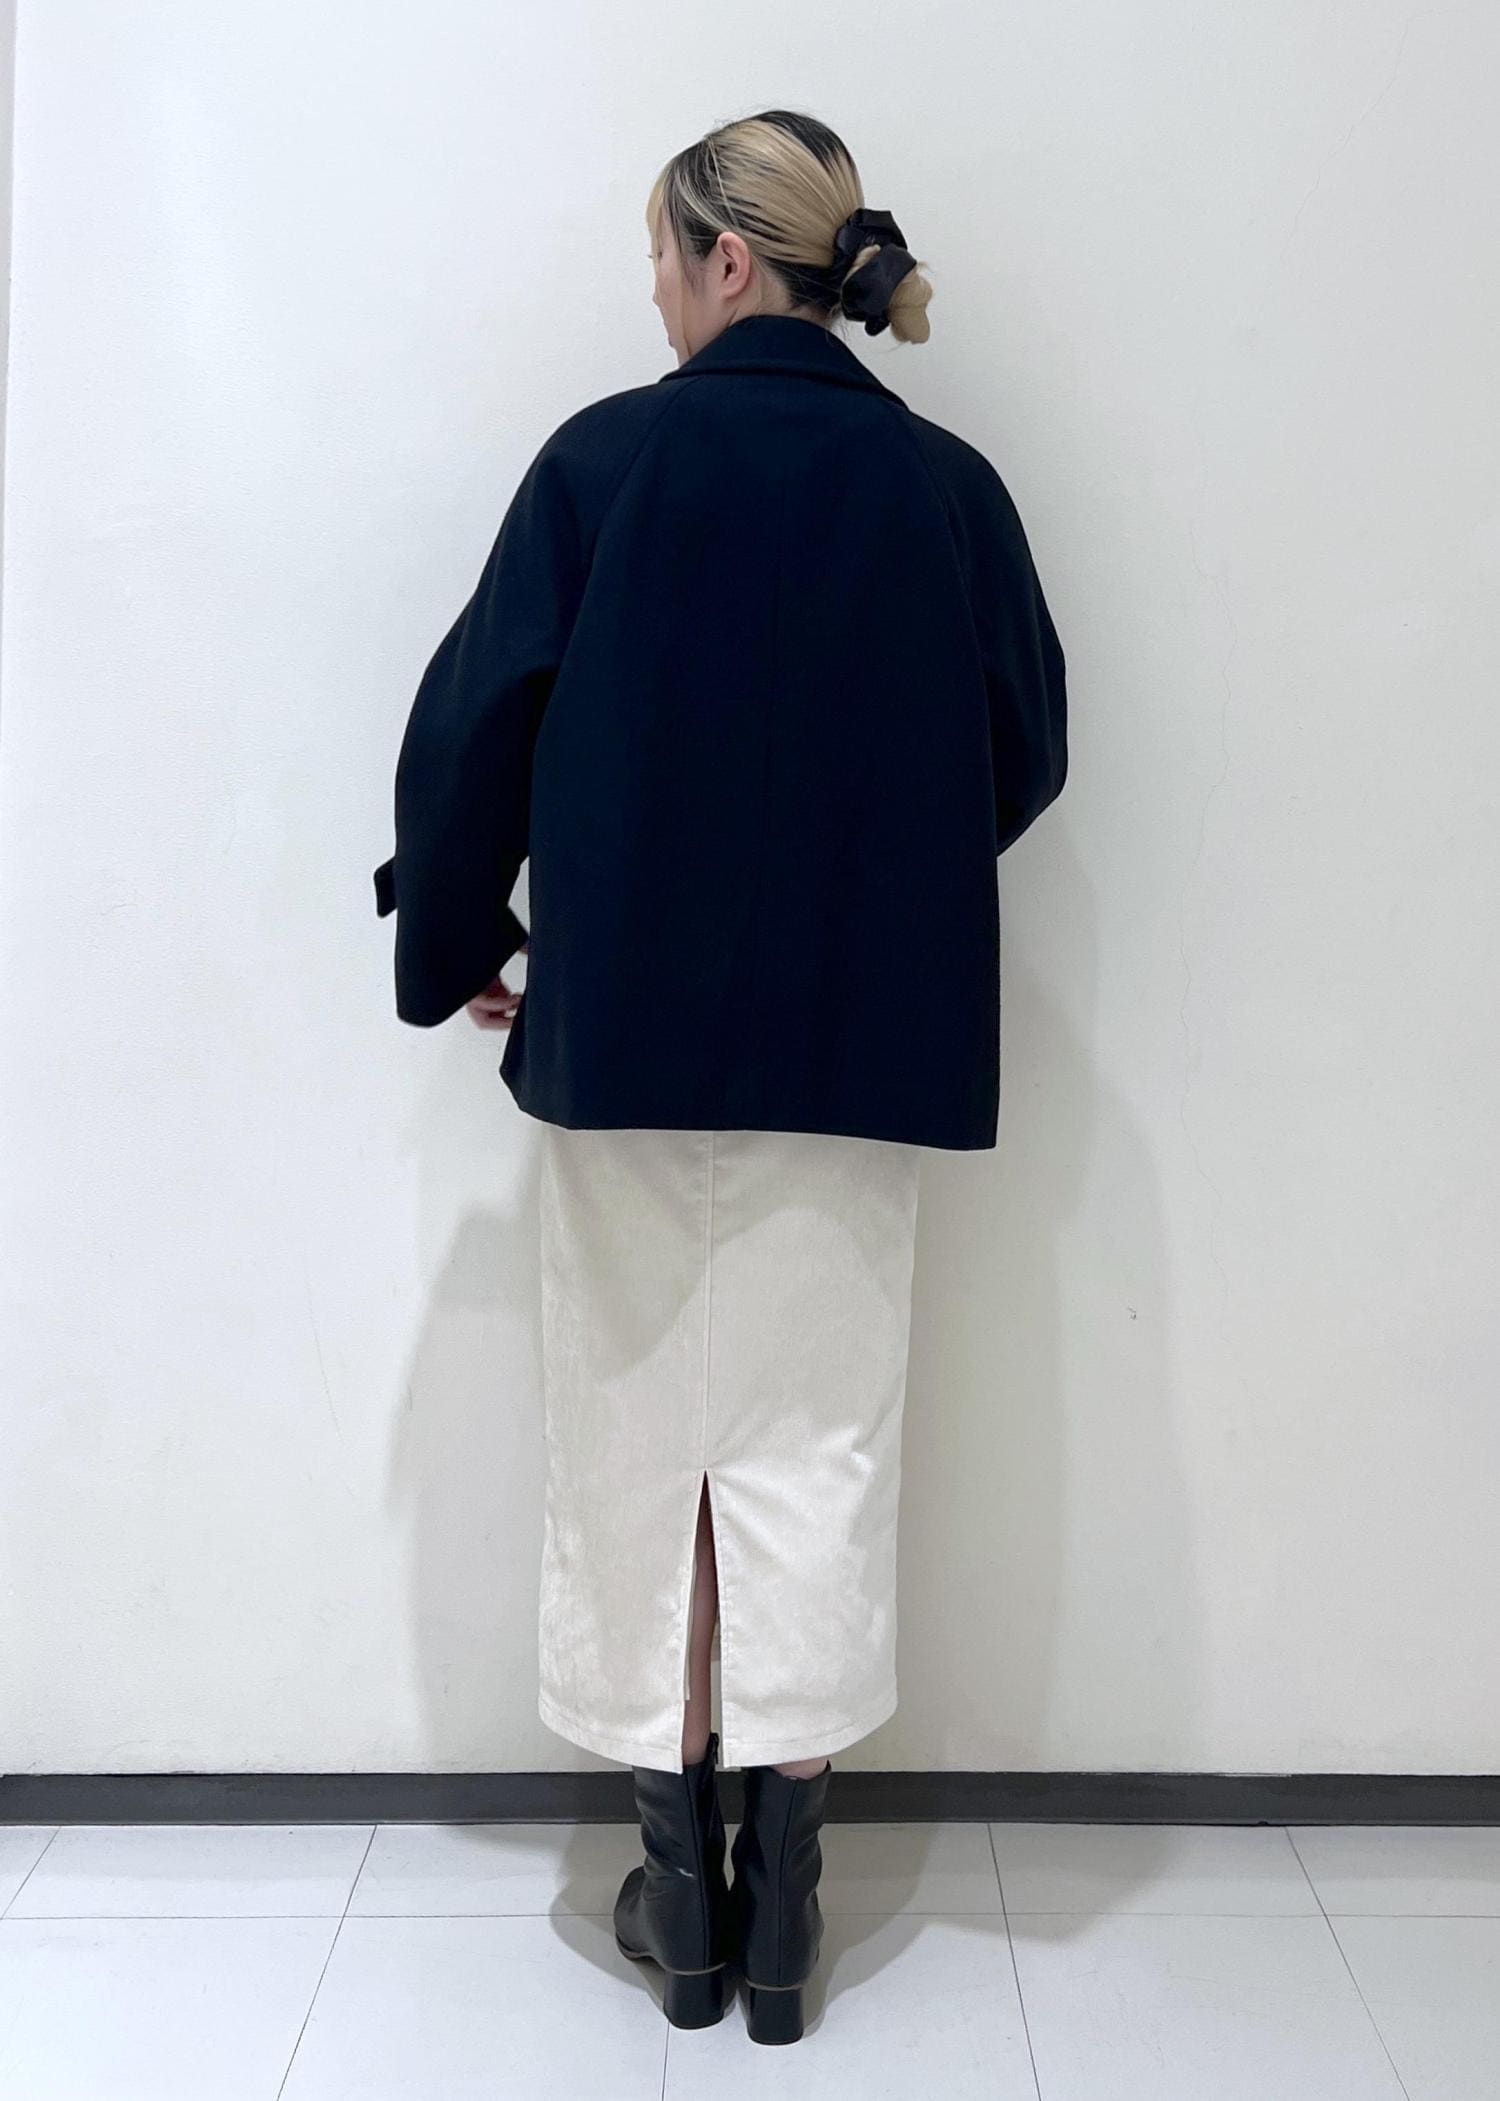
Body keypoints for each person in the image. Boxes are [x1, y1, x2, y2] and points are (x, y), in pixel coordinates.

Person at [373, 108, 1067, 2045]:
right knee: (814, 1449)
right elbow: (1023, 745)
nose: (659, 304)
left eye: (665, 266)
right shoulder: (945, 490)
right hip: (861, 1055)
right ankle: (789, 1911)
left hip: (628, 1051)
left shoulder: (603, 466)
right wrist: (873, 892)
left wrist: (465, 942)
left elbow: (471, 734)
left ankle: (681, 1893)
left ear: (727, 260)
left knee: (640, 1446)